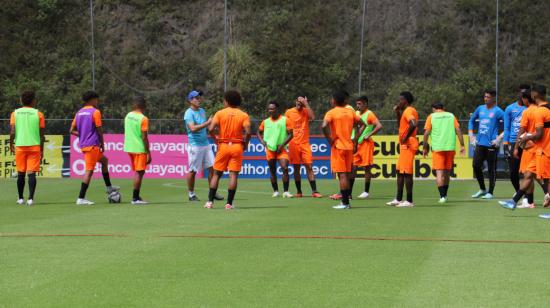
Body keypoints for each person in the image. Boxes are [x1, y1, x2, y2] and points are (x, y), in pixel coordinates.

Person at [501, 85, 550, 212]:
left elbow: (532, 133)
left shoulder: (534, 111)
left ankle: (531, 200)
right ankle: (515, 201)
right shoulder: (545, 110)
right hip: (539, 149)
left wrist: (520, 143)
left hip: (539, 149)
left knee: (541, 177)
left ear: (533, 96)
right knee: (531, 175)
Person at [70, 91, 119, 205]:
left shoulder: (79, 113)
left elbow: (71, 130)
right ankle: (81, 198)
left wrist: (82, 135)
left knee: (104, 161)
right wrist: (102, 143)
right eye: (96, 99)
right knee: (89, 171)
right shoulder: (95, 112)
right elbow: (99, 130)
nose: (98, 101)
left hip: (85, 145)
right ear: (91, 100)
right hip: (92, 146)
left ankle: (109, 187)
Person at [204, 90, 251, 210]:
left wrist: (216, 139)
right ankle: (229, 204)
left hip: (223, 145)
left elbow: (210, 129)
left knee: (216, 174)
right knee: (233, 175)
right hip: (237, 146)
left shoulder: (220, 113)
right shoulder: (243, 115)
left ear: (227, 101)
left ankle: (210, 202)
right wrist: (246, 144)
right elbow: (248, 131)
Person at [322, 90, 365, 210]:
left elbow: (324, 125)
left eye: (332, 99)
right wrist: (355, 139)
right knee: (346, 174)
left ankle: (345, 203)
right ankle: (346, 202)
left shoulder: (331, 112)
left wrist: (330, 139)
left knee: (342, 176)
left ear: (334, 101)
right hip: (349, 146)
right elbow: (363, 124)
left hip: (338, 147)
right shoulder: (351, 112)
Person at [183, 90, 224, 202]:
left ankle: (213, 192)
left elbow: (207, 126)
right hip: (195, 146)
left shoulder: (202, 111)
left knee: (213, 168)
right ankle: (191, 194)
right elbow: (193, 128)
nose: (199, 99)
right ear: (190, 100)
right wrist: (207, 123)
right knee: (193, 171)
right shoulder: (188, 113)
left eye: (199, 97)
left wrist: (214, 128)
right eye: (196, 98)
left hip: (205, 144)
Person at [422, 102, 465, 203]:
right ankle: (445, 195)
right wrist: (462, 145)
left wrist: (424, 147)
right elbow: (458, 129)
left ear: (433, 109)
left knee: (439, 173)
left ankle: (442, 197)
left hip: (438, 148)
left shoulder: (431, 116)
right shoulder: (451, 115)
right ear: (443, 108)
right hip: (450, 147)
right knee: (447, 173)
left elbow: (426, 133)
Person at [9, 90, 45, 206]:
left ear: (21, 100)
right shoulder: (38, 114)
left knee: (20, 173)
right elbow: (42, 135)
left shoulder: (15, 113)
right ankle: (30, 199)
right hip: (34, 146)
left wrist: (11, 143)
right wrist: (42, 149)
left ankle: (20, 198)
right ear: (33, 101)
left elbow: (12, 131)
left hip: (20, 146)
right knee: (31, 173)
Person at [468, 89, 504, 199]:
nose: (485, 99)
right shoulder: (480, 109)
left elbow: (508, 126)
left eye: (488, 97)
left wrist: (499, 138)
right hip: (480, 143)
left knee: (491, 169)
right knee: (475, 165)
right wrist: (471, 136)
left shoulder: (498, 111)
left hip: (491, 144)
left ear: (493, 98)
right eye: (485, 96)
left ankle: (490, 192)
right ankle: (482, 189)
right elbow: (471, 121)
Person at [284, 96, 322, 198]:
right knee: (296, 168)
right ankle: (299, 191)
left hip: (305, 143)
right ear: (295, 102)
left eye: (301, 102)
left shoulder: (306, 111)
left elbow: (313, 118)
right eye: (298, 101)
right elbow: (285, 126)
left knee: (309, 167)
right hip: (293, 144)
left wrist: (306, 103)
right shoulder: (288, 112)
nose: (299, 103)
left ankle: (314, 191)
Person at [386, 91, 419, 208]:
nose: (399, 101)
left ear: (406, 101)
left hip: (408, 144)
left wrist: (405, 137)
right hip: (404, 145)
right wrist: (397, 112)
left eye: (401, 100)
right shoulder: (405, 111)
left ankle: (409, 201)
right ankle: (398, 199)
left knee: (407, 173)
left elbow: (413, 124)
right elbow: (401, 124)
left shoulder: (409, 110)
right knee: (400, 172)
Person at [258, 101, 294, 198]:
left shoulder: (285, 120)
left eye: (272, 108)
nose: (270, 110)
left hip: (281, 149)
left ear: (277, 109)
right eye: (269, 109)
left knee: (285, 168)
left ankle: (286, 191)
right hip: (270, 149)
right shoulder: (265, 122)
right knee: (272, 170)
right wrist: (262, 141)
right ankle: (276, 191)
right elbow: (258, 132)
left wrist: (282, 145)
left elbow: (291, 134)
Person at [349, 95, 383, 199]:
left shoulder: (369, 114)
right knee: (353, 168)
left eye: (360, 104)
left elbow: (379, 126)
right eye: (357, 104)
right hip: (356, 144)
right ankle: (349, 192)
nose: (358, 106)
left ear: (365, 104)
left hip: (366, 144)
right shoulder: (356, 113)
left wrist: (369, 134)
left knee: (367, 168)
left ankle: (366, 191)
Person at [124, 96, 151, 205]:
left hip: (129, 147)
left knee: (137, 172)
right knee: (139, 172)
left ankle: (136, 196)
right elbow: (144, 137)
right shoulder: (143, 119)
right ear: (143, 106)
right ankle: (135, 198)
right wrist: (148, 152)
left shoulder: (128, 115)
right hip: (139, 148)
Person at [503, 85, 529, 194]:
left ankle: (528, 197)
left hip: (528, 142)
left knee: (528, 172)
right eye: (521, 93)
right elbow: (507, 127)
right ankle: (518, 191)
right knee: (513, 172)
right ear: (518, 93)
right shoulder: (509, 108)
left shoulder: (530, 108)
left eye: (525, 93)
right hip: (514, 143)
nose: (522, 95)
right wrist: (505, 143)